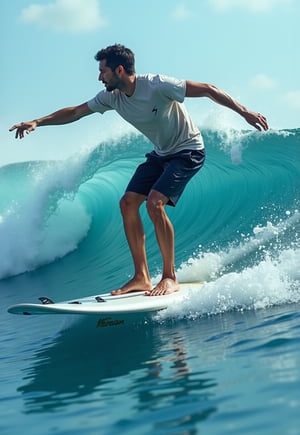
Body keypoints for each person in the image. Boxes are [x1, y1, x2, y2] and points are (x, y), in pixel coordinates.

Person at [9, 44, 268, 296]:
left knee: (155, 203)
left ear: (119, 70)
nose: (100, 77)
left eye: (103, 71)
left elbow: (209, 90)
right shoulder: (111, 97)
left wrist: (245, 112)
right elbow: (76, 112)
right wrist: (37, 122)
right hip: (161, 154)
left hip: (188, 150)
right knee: (127, 203)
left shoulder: (157, 84)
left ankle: (169, 277)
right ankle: (142, 277)